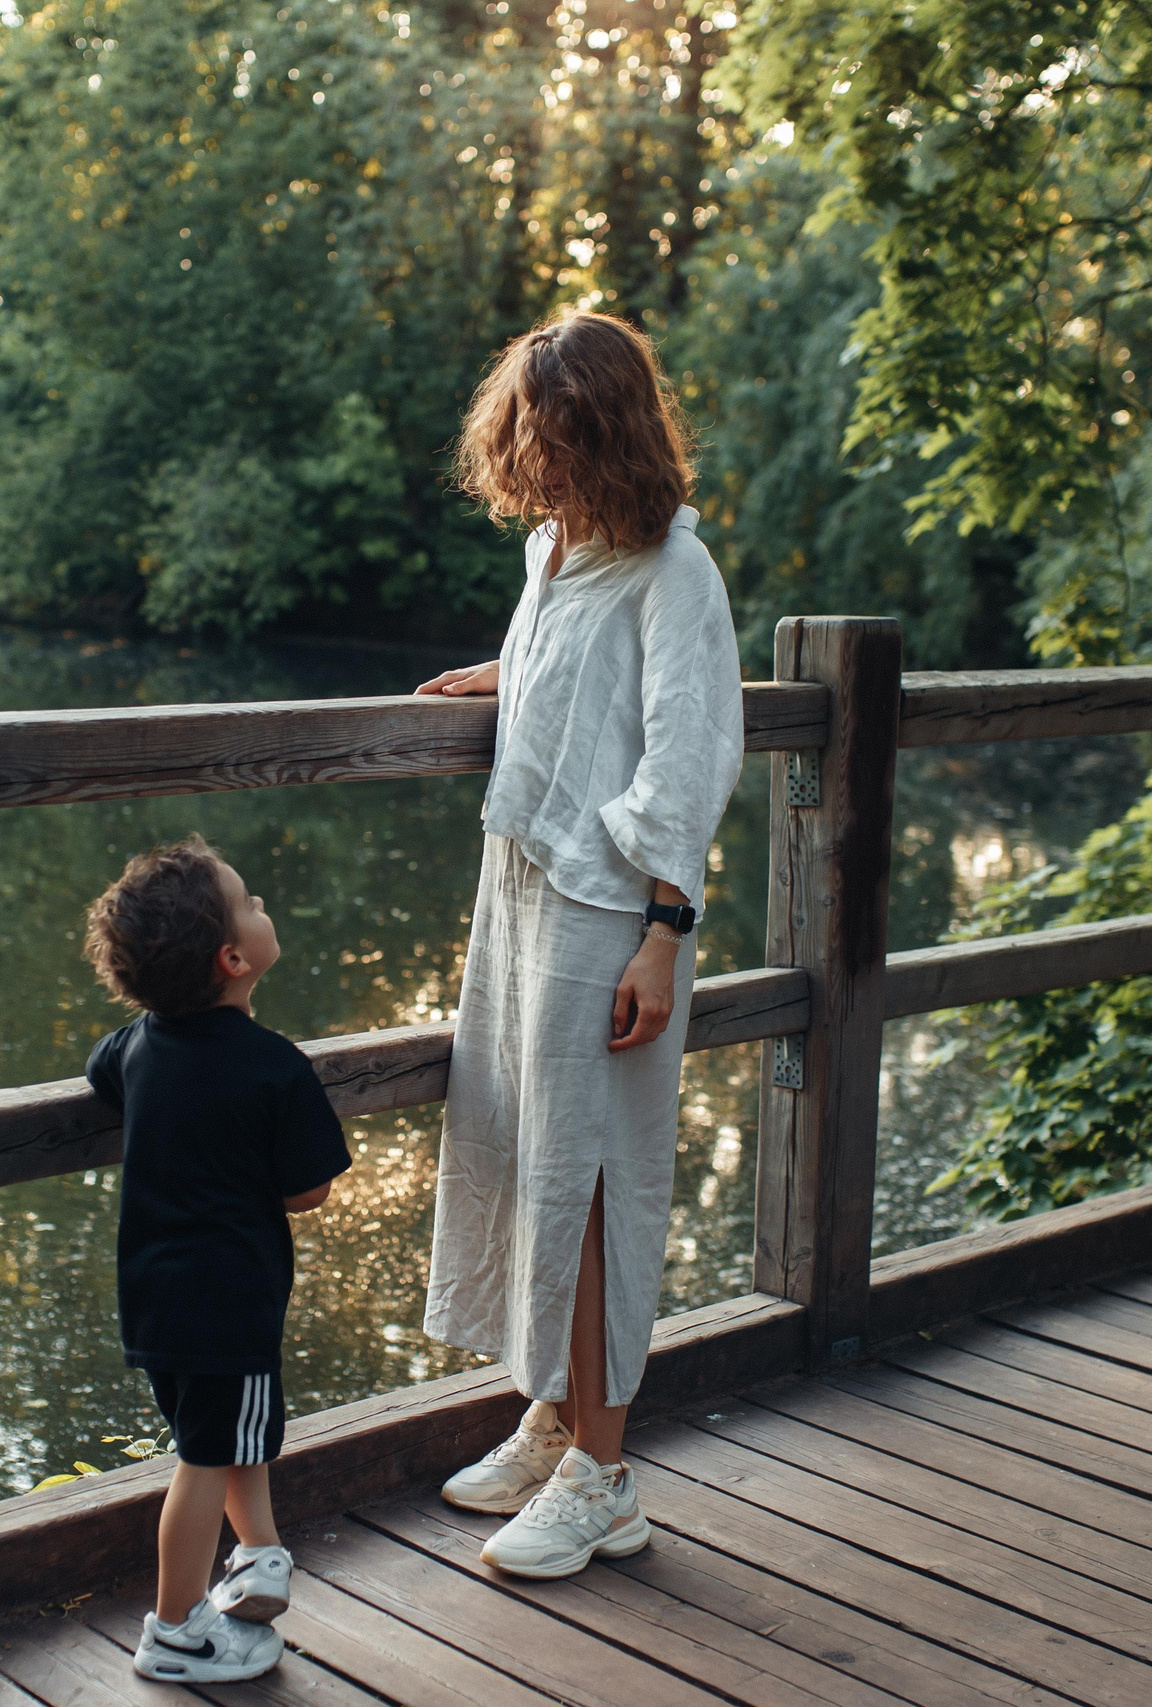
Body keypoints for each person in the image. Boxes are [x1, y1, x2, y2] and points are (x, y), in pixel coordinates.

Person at [416, 310, 744, 1579]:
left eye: (557, 443)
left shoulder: (676, 573)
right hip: (520, 892)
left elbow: (689, 750)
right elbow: (574, 681)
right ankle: (553, 1420)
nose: (535, 468)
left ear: (608, 435)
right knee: (526, 1151)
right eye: (524, 442)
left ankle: (606, 1480)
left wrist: (665, 934)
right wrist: (508, 672)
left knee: (598, 1176)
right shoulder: (556, 554)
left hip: (611, 911)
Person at [81, 836, 354, 1683]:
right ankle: (175, 1628)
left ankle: (260, 1552)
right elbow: (309, 1190)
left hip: (155, 1299)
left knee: (229, 1432)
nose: (265, 902)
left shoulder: (138, 1045)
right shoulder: (274, 1067)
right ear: (234, 958)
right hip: (228, 1298)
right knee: (206, 1455)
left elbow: (102, 1076)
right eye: (251, 903)